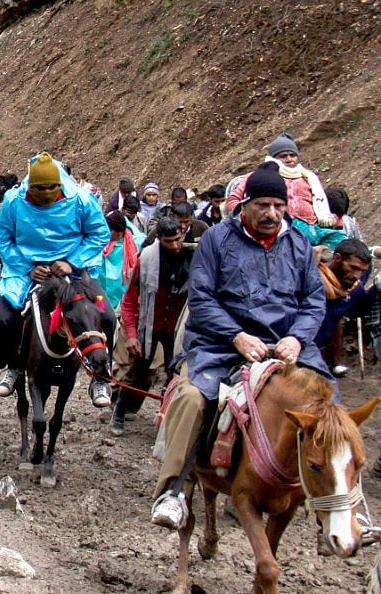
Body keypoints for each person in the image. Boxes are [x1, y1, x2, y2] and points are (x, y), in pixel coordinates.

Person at [151, 161, 329, 530]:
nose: (271, 213)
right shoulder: (217, 240)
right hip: (221, 344)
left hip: (287, 345)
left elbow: (314, 301)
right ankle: (174, 491)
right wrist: (236, 335)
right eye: (263, 205)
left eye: (279, 207)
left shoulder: (298, 244)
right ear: (244, 204)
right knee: (192, 397)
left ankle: (340, 504)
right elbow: (201, 297)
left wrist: (297, 337)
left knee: (332, 407)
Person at [0, 152, 115, 407]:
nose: (45, 192)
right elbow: (2, 238)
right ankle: (13, 366)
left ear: (59, 185)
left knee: (108, 319)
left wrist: (72, 262)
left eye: (50, 187)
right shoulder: (14, 201)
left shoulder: (81, 199)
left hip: (73, 269)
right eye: (39, 188)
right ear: (30, 187)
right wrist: (27, 267)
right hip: (26, 269)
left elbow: (99, 233)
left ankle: (101, 375)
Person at [113, 216, 192, 435]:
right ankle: (118, 412)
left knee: (174, 373)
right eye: (169, 242)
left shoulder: (193, 256)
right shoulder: (146, 259)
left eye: (178, 239)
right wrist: (131, 334)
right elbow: (129, 300)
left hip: (177, 328)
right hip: (150, 324)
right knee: (137, 368)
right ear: (159, 239)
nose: (175, 246)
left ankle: (166, 420)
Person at [224, 133, 344, 248]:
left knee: (341, 241)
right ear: (273, 158)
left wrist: (335, 220)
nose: (289, 159)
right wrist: (246, 216)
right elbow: (232, 200)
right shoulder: (258, 177)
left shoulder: (309, 178)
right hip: (283, 227)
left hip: (315, 228)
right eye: (283, 156)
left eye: (292, 155)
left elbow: (324, 206)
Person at [313, 238, 372, 377]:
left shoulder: (354, 289)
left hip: (318, 354)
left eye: (362, 271)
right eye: (353, 268)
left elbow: (360, 311)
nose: (357, 276)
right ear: (337, 258)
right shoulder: (311, 278)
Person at [95, 210, 138, 312]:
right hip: (100, 293)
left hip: (121, 297)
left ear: (119, 232)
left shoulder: (133, 245)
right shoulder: (98, 242)